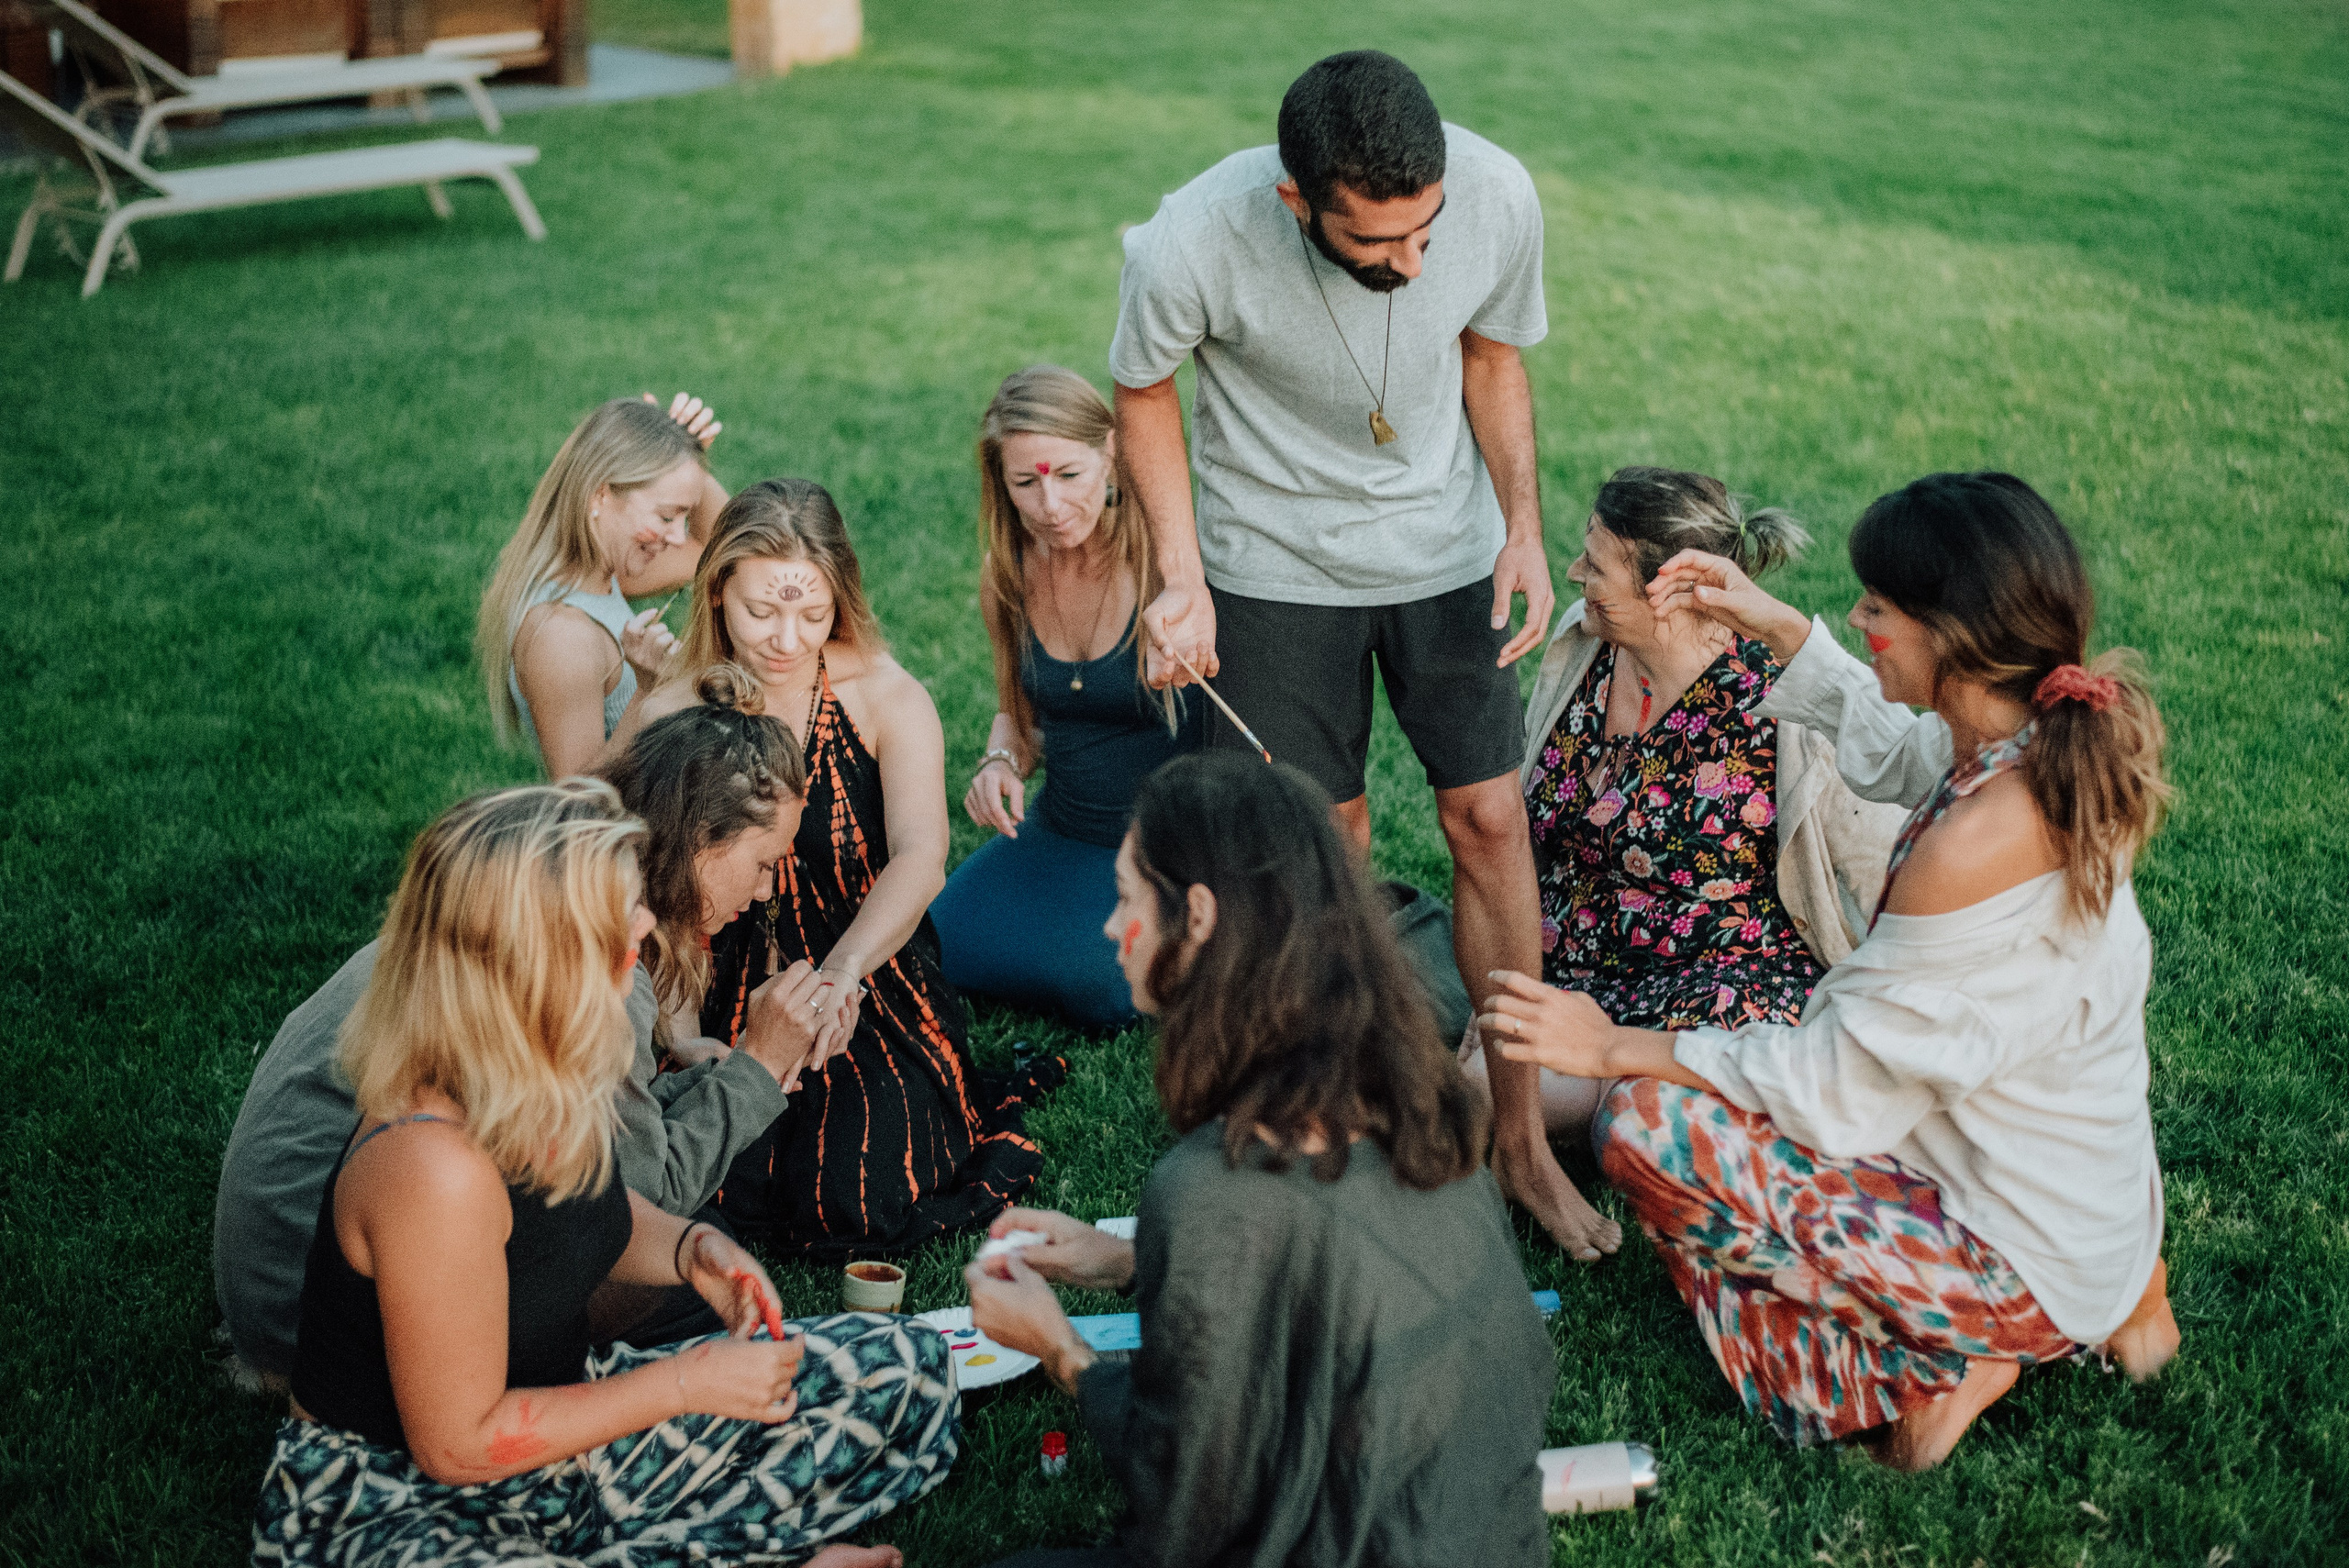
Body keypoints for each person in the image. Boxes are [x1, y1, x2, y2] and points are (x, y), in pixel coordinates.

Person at [1478, 473, 2180, 1469]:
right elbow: (1894, 746)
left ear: (1957, 634)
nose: (1857, 620)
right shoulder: (2022, 747)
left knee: (1644, 1124)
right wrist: (1766, 619)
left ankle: (1937, 1363)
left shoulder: (1977, 838)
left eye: (1878, 608)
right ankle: (2110, 1297)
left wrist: (1610, 1042)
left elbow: (1827, 1086)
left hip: (2015, 1242)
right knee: (1675, 1095)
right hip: (2066, 1187)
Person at [1108, 50, 1586, 1253]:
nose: (1412, 262)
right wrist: (1181, 577)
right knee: (1325, 850)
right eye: (1378, 244)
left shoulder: (1496, 195)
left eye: (1424, 232)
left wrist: (1523, 528)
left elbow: (1493, 356)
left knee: (1490, 822)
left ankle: (1521, 1135)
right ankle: (1345, 1124)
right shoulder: (1190, 241)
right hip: (1271, 563)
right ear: (1297, 201)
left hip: (1445, 554)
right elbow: (1143, 389)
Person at [250, 782, 953, 1566]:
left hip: (559, 1445)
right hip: (397, 1503)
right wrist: (684, 1384)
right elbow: (458, 1446)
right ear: (536, 951)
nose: (647, 921)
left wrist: (692, 1250)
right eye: (619, 913)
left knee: (909, 1372)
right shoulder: (430, 1165)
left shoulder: (548, 1060)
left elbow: (585, 1215)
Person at [965, 752, 1554, 1568]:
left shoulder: (1211, 1191)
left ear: (1197, 915)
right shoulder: (1418, 1101)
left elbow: (1187, 1513)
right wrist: (1130, 1260)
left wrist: (1062, 1350)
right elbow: (1340, 1267)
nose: (1110, 926)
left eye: (1129, 896)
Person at [216, 680, 819, 1385]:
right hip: (329, 1322)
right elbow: (630, 1196)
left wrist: (704, 1082)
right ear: (697, 845)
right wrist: (757, 1068)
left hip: (285, 1279)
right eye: (765, 861)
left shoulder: (523, 901)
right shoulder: (589, 971)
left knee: (691, 1244)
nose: (769, 888)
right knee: (682, 1277)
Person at [1464, 470, 1904, 1256]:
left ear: (1666, 587)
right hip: (1578, 963)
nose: (1576, 574)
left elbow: (1890, 870)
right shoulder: (1589, 647)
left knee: (1488, 1101)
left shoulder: (1779, 702)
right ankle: (1565, 1113)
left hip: (1719, 983)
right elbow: (1536, 827)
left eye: (1596, 565)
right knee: (1468, 1091)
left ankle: (1585, 1115)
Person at [625, 479, 1061, 1254]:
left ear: (841, 599)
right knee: (716, 1166)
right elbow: (650, 891)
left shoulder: (886, 697)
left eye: (812, 612)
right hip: (706, 973)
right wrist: (681, 1033)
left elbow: (923, 856)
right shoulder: (674, 711)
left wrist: (840, 975)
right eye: (761, 610)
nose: (786, 638)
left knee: (865, 1174)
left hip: (864, 960)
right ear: (717, 588)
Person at [930, 366, 1200, 1030]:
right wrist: (998, 762)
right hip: (1061, 829)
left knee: (1106, 991)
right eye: (1027, 482)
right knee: (932, 943)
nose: (1050, 505)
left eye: (1068, 475)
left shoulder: (1171, 563)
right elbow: (1020, 724)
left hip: (1158, 847)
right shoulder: (1008, 577)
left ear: (1110, 451)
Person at [475, 393, 729, 778]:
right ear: (600, 495)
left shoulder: (606, 574)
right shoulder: (562, 636)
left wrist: (687, 457)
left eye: (685, 515)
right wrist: (647, 691)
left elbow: (717, 552)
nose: (678, 536)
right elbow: (580, 801)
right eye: (666, 515)